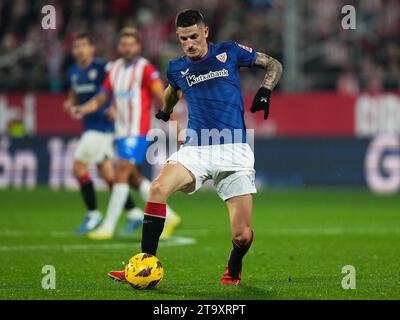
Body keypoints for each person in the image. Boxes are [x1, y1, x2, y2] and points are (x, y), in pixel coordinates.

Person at [108, 9, 282, 285]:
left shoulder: (229, 52)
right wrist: (165, 111)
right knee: (156, 189)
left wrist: (265, 90)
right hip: (196, 149)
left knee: (242, 235)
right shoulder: (178, 67)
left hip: (234, 150)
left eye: (193, 36)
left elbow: (273, 64)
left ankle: (234, 265)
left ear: (205, 32)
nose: (189, 43)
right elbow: (172, 90)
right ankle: (144, 264)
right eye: (182, 39)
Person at [71, 27, 181, 240]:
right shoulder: (114, 69)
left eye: (131, 44)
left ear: (138, 46)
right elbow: (102, 97)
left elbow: (163, 95)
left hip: (137, 131)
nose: (127, 48)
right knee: (133, 178)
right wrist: (83, 109)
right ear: (119, 47)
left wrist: (175, 122)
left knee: (121, 171)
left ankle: (108, 227)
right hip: (121, 133)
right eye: (124, 44)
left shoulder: (145, 69)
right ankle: (170, 216)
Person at [64, 32, 141, 235]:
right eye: (76, 46)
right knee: (108, 173)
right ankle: (134, 214)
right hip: (90, 126)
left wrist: (116, 107)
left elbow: (117, 86)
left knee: (78, 167)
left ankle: (93, 214)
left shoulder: (102, 68)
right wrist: (70, 103)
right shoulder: (72, 71)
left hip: (103, 127)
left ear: (92, 49)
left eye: (83, 46)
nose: (79, 50)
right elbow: (73, 94)